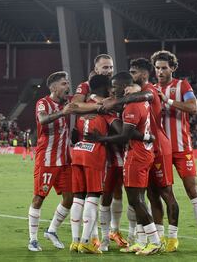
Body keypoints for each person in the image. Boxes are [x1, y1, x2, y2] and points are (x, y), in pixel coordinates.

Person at [101, 58, 179, 252]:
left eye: (134, 72)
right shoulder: (136, 97)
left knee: (155, 194)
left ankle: (163, 239)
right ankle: (146, 240)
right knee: (145, 196)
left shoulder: (146, 93)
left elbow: (126, 132)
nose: (112, 91)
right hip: (145, 147)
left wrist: (100, 137)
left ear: (143, 75)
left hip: (149, 149)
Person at [87, 72, 163, 256]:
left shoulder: (130, 106)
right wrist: (146, 136)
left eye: (115, 87)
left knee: (135, 200)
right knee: (139, 199)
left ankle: (154, 242)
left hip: (136, 156)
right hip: (144, 153)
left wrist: (101, 138)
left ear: (123, 87)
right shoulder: (140, 102)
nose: (112, 90)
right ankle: (141, 241)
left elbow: (124, 136)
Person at [151, 50, 197, 251]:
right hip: (160, 150)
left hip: (182, 148)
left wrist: (166, 100)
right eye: (157, 68)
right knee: (162, 193)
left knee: (192, 189)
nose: (160, 71)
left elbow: (193, 107)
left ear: (173, 68)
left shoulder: (181, 85)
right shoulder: (150, 89)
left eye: (164, 68)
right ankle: (164, 237)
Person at [72, 54, 127, 247]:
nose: (109, 70)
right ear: (96, 69)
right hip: (95, 143)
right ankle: (96, 237)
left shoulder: (117, 85)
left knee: (118, 189)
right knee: (96, 191)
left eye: (110, 66)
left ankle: (115, 231)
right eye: (105, 67)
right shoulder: (86, 86)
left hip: (116, 143)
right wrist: (100, 105)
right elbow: (75, 105)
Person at [27, 71, 78, 252]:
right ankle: (32, 239)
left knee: (70, 198)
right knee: (39, 198)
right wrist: (62, 112)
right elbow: (42, 119)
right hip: (47, 159)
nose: (67, 87)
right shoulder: (43, 103)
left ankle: (51, 230)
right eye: (64, 84)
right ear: (53, 87)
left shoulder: (67, 102)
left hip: (64, 160)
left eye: (67, 83)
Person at [68, 75, 119, 254]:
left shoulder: (83, 105)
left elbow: (74, 134)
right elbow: (120, 130)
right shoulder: (105, 108)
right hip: (94, 153)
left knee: (78, 197)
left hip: (78, 152)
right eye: (109, 87)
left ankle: (75, 241)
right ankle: (86, 241)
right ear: (105, 88)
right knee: (93, 196)